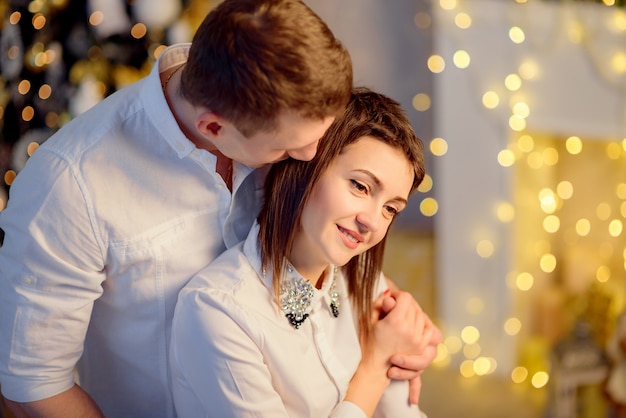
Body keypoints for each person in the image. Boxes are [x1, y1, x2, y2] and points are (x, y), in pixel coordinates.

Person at [0, 1, 434, 417]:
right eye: (287, 147)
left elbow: (322, 214)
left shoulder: (277, 106)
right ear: (213, 127)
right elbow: (33, 385)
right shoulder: (70, 184)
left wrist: (388, 306)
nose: (310, 156)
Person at [170, 87, 441, 418]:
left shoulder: (366, 284)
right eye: (360, 186)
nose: (372, 221)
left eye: (390, 208)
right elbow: (379, 370)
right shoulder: (217, 311)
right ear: (308, 163)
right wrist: (372, 368)